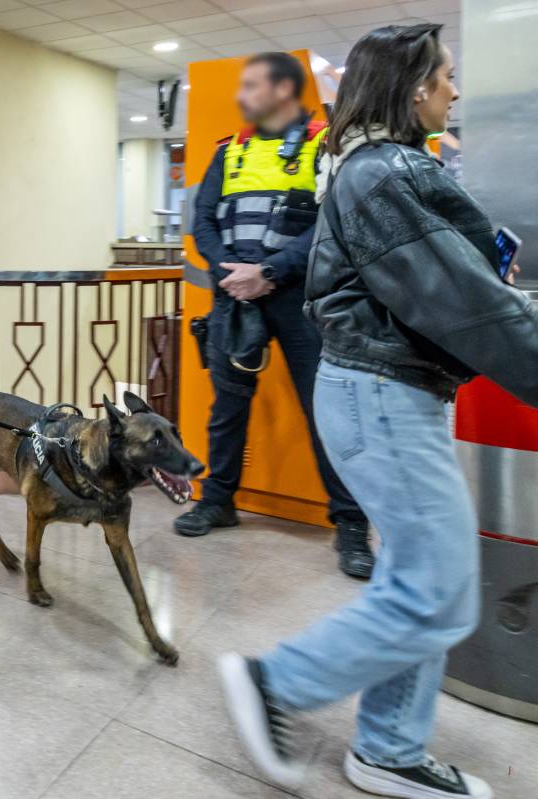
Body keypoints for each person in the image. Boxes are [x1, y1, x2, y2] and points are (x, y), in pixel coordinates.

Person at [218, 23, 538, 799]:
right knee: (439, 588)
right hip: (381, 397)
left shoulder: (378, 167)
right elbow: (469, 304)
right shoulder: (383, 174)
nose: (454, 90)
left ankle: (389, 748)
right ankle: (274, 682)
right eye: (446, 75)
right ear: (413, 85)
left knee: (417, 577)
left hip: (389, 394)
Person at [179, 51, 373, 580]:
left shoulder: (323, 145)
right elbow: (203, 221)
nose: (243, 96)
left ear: (285, 91)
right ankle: (217, 502)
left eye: (254, 86)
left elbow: (329, 225)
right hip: (233, 296)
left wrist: (268, 271)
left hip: (297, 298)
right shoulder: (230, 151)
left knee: (324, 411)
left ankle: (351, 525)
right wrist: (229, 271)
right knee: (227, 408)